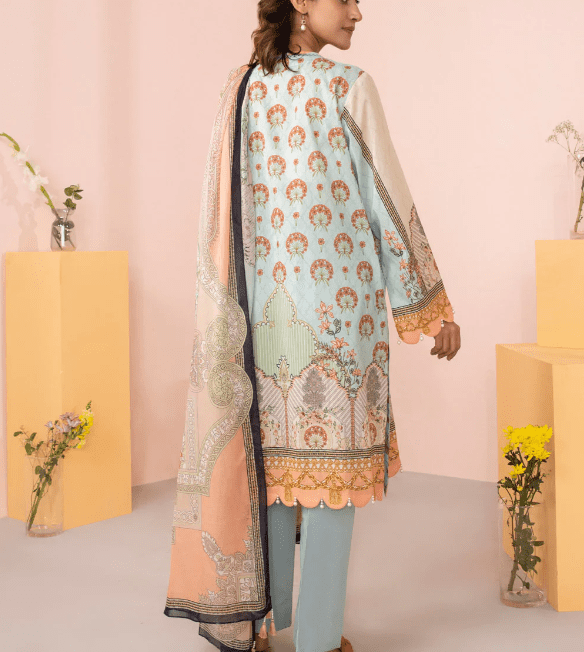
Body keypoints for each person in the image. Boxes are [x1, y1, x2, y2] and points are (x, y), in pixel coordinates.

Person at [164, 1, 461, 651]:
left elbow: (221, 215)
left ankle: (264, 628)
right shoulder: (349, 87)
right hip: (337, 327)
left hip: (260, 326)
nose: (358, 12)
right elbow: (387, 197)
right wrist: (429, 305)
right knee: (332, 492)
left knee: (271, 482)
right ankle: (320, 639)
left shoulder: (240, 89)